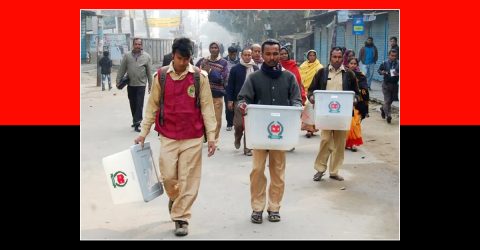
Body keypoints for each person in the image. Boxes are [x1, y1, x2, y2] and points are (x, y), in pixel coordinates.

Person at [134, 38, 217, 237]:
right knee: (169, 177)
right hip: (168, 135)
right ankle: (175, 198)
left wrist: (212, 136)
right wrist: (143, 132)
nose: (183, 63)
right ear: (173, 56)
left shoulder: (199, 77)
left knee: (188, 179)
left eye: (187, 59)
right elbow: (152, 106)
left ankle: (181, 218)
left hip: (193, 136)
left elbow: (207, 106)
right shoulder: (161, 76)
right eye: (180, 58)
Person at [237, 39, 302, 224]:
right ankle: (257, 208)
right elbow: (243, 98)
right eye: (268, 54)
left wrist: (296, 109)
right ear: (262, 55)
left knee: (278, 172)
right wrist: (242, 105)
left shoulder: (289, 77)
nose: (272, 57)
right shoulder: (254, 78)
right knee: (257, 170)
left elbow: (296, 100)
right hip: (258, 134)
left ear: (280, 54)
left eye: (275, 54)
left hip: (280, 136)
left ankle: (274, 207)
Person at [308, 47, 360, 182]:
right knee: (325, 141)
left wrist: (354, 100)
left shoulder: (349, 74)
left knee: (339, 144)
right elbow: (311, 90)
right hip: (325, 115)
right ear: (330, 57)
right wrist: (312, 98)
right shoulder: (322, 73)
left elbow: (356, 93)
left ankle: (334, 171)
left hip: (342, 116)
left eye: (339, 57)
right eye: (334, 57)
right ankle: (320, 169)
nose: (337, 60)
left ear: (343, 58)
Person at [226, 47, 259, 156]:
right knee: (239, 125)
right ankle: (237, 137)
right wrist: (230, 100)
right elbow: (230, 85)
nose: (247, 57)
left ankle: (247, 148)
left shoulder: (256, 69)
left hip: (252, 102)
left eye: (249, 55)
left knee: (249, 126)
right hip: (238, 100)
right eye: (245, 55)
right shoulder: (236, 69)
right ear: (241, 56)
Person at [195, 42, 229, 146]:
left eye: (216, 47)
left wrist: (210, 71)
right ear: (209, 49)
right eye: (212, 47)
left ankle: (214, 140)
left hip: (217, 95)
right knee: (202, 117)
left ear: (219, 50)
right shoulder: (202, 61)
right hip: (203, 95)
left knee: (216, 120)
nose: (213, 49)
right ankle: (205, 136)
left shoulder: (224, 63)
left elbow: (223, 79)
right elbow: (195, 73)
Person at [116, 38, 153, 132]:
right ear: (133, 45)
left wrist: (150, 85)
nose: (137, 46)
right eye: (136, 44)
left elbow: (149, 73)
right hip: (131, 84)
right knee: (132, 103)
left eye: (139, 44)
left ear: (142, 45)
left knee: (139, 104)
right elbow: (122, 69)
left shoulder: (147, 57)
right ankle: (135, 120)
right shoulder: (127, 56)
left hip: (141, 84)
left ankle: (138, 123)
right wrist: (118, 81)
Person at [345, 57, 368, 152]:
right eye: (351, 63)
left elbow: (365, 90)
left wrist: (358, 91)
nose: (353, 65)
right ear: (348, 64)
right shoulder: (344, 74)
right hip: (345, 102)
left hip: (357, 103)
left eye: (355, 64)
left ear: (357, 65)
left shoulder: (361, 76)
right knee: (346, 123)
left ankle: (353, 143)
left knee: (355, 123)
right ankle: (346, 142)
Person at [299, 50, 323, 138]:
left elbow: (321, 80)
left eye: (313, 55)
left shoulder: (319, 67)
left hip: (314, 91)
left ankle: (311, 129)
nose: (312, 57)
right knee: (306, 110)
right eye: (310, 55)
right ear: (307, 57)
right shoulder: (303, 66)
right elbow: (300, 77)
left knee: (312, 110)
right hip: (304, 90)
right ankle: (307, 128)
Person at [378, 49, 399, 124]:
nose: (393, 57)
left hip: (395, 85)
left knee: (391, 100)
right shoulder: (384, 63)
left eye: (395, 56)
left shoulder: (399, 63)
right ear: (389, 55)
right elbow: (379, 70)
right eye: (392, 56)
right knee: (387, 100)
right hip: (386, 84)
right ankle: (388, 115)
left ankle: (383, 108)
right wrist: (382, 72)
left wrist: (398, 74)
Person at [223, 46, 240, 131]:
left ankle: (236, 122)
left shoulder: (240, 61)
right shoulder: (224, 61)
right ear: (228, 53)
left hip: (238, 86)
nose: (232, 55)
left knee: (237, 105)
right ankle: (229, 123)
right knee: (228, 105)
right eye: (230, 54)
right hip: (227, 86)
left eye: (233, 54)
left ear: (236, 53)